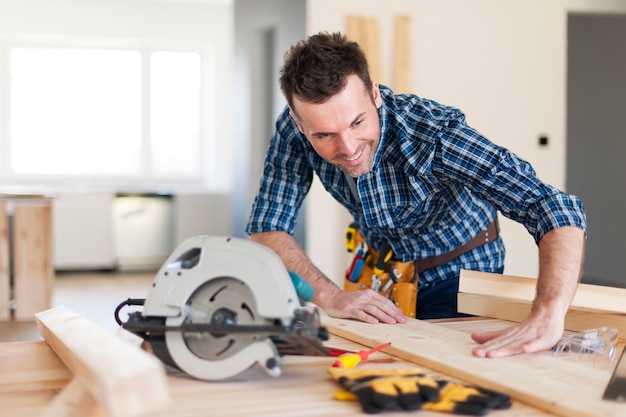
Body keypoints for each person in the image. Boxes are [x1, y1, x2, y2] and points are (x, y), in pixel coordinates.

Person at [245, 31, 586, 358]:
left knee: (446, 366)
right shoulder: (293, 130)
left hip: (460, 269)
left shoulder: (432, 134)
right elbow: (267, 228)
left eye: (357, 123)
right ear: (298, 121)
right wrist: (331, 297)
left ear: (375, 94)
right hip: (390, 271)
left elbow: (550, 206)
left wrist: (548, 312)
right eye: (324, 135)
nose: (348, 148)